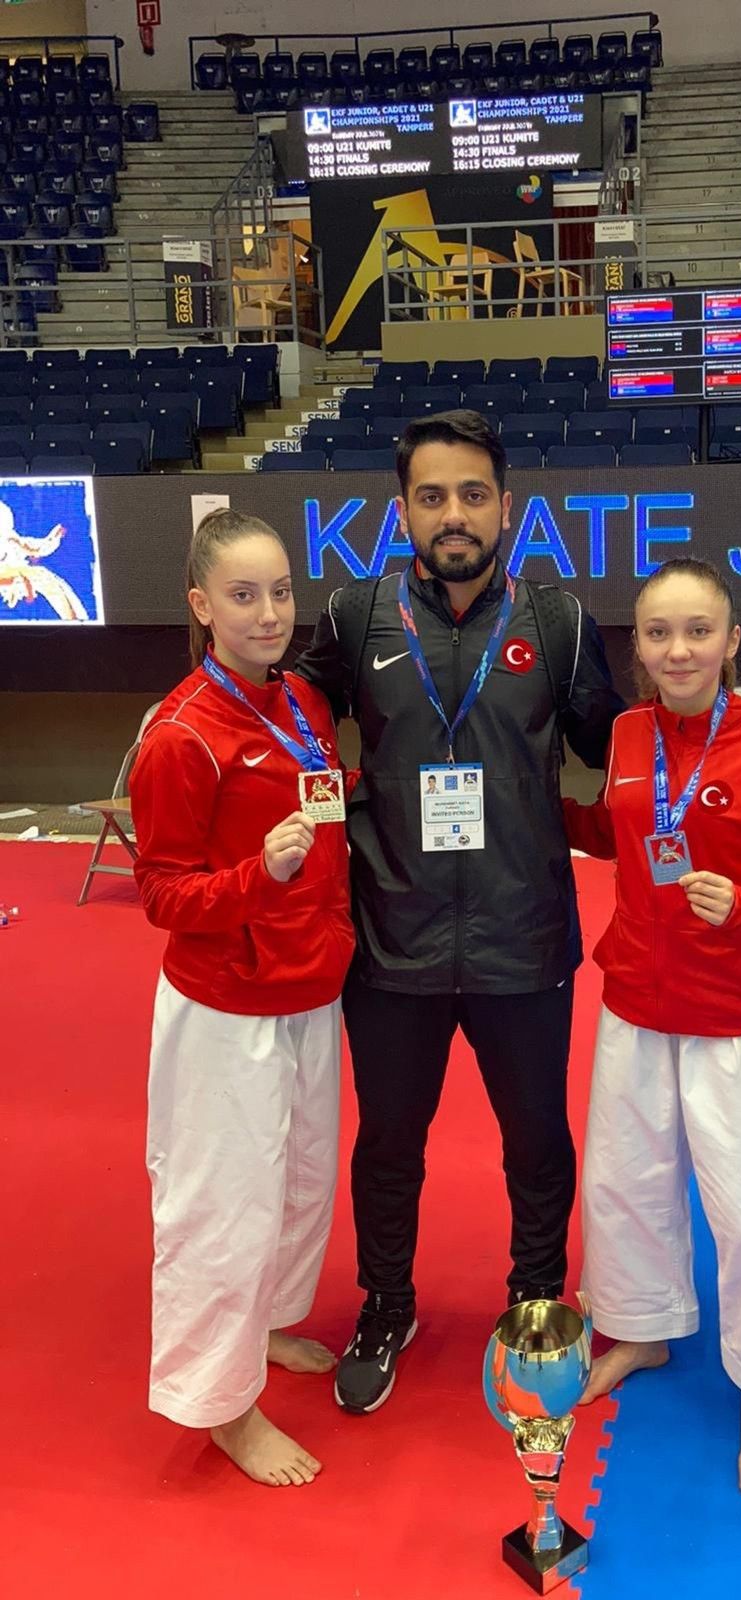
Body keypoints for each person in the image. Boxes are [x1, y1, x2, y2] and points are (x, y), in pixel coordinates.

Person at [293, 409, 623, 1415]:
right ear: (402, 510)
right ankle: (386, 1305)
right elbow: (288, 727)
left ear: (504, 507)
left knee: (536, 1139)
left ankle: (535, 1303)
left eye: (472, 495)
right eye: (431, 496)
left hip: (523, 937)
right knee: (389, 1142)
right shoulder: (354, 616)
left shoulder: (557, 623)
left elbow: (619, 750)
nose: (453, 514)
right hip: (391, 938)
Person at [563, 557, 741, 1497]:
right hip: (636, 999)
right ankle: (641, 1328)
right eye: (658, 634)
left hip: (737, 1013)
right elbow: (619, 831)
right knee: (623, 1185)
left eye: (697, 632)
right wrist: (530, 809)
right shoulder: (626, 732)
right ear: (637, 648)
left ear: (731, 643)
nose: (678, 650)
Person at [128, 510, 355, 1486]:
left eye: (280, 592)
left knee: (299, 1181)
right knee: (223, 1205)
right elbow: (161, 896)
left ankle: (261, 1325)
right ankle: (219, 1405)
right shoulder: (181, 735)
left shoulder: (299, 700)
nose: (268, 614)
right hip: (225, 1005)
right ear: (201, 605)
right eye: (243, 595)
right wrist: (259, 877)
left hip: (310, 984)